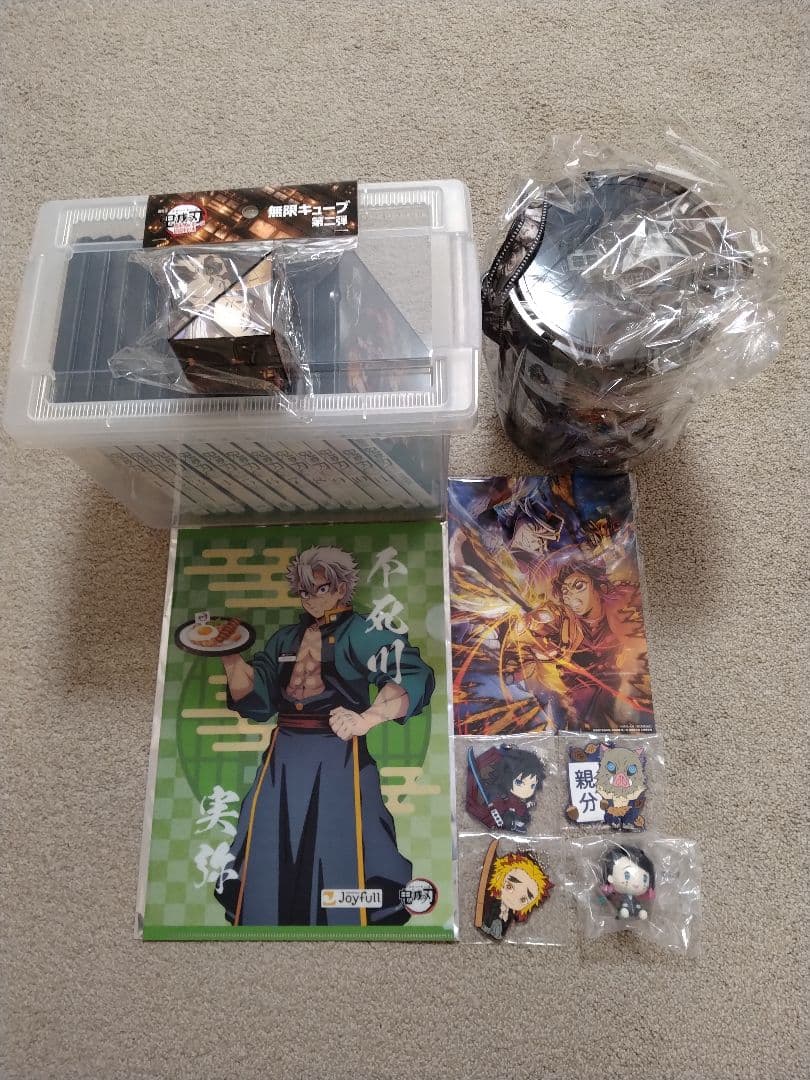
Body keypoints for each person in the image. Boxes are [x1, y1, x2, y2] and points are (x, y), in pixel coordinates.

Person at [217, 546, 434, 927]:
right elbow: (259, 697)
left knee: (345, 837)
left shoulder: (363, 632)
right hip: (283, 755)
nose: (311, 599)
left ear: (341, 588)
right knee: (265, 832)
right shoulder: (285, 638)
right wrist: (231, 657)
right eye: (304, 591)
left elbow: (411, 673)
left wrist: (367, 718)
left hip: (339, 752)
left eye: (320, 589)